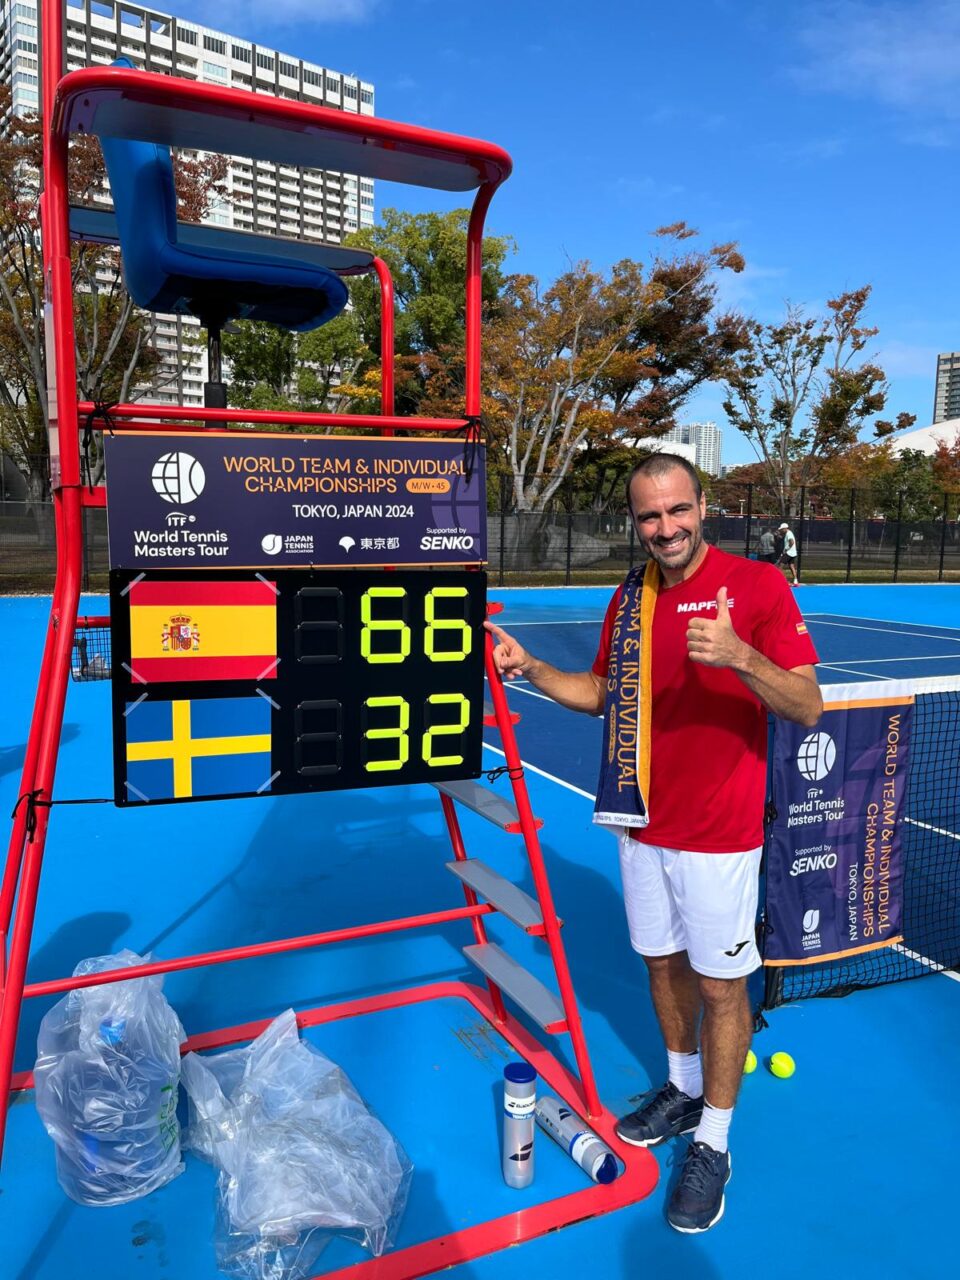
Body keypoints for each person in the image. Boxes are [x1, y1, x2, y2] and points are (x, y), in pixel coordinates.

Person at [485, 454, 821, 1234]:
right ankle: (681, 1086)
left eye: (677, 510)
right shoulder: (629, 598)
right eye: (648, 516)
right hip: (638, 825)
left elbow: (806, 703)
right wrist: (530, 666)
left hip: (719, 834)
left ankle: (715, 1139)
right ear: (634, 522)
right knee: (662, 966)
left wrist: (740, 656)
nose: (665, 528)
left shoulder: (759, 589)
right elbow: (603, 694)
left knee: (720, 987)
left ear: (702, 506)